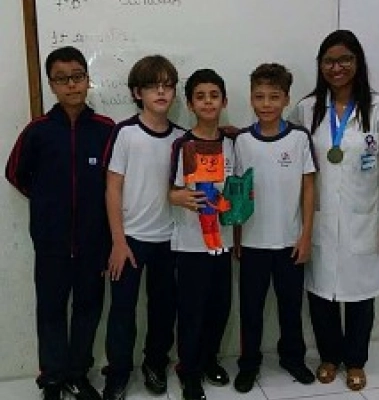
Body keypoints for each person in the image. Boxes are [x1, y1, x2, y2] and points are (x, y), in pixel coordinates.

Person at [289, 29, 379, 391]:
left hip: (364, 218)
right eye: (329, 61)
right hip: (319, 218)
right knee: (320, 291)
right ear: (320, 65)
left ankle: (355, 361)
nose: (336, 68)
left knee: (360, 294)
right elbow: (283, 144)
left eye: (345, 60)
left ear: (358, 62)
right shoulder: (307, 109)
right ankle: (328, 357)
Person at [5, 46, 115, 400]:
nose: (71, 85)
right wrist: (46, 203)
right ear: (51, 85)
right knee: (51, 310)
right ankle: (52, 378)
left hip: (94, 242)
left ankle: (77, 374)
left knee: (88, 309)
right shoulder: (38, 131)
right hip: (51, 242)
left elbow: (116, 183)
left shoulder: (106, 130)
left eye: (77, 76)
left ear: (87, 79)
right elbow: (15, 173)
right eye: (62, 79)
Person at [102, 55, 185, 400]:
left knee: (163, 308)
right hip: (130, 241)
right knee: (122, 311)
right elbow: (112, 189)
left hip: (170, 239)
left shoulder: (181, 138)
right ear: (138, 93)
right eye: (152, 86)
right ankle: (118, 373)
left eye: (167, 85)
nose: (161, 92)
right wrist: (118, 241)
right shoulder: (125, 133)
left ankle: (155, 363)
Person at [232, 63, 316, 393]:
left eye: (274, 97)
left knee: (290, 307)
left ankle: (292, 358)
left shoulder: (299, 138)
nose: (266, 103)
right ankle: (249, 364)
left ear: (286, 99)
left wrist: (306, 235)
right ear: (251, 98)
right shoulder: (241, 141)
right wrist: (237, 236)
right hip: (253, 243)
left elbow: (309, 188)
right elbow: (237, 191)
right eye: (259, 96)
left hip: (290, 243)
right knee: (250, 309)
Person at [169, 69, 234, 400]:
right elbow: (170, 190)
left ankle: (209, 360)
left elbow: (236, 187)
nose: (208, 102)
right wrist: (177, 196)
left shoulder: (232, 142)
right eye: (200, 96)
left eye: (214, 95)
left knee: (219, 306)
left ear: (224, 101)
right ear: (190, 104)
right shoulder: (182, 144)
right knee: (192, 310)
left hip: (224, 243)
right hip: (191, 244)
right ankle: (189, 370)